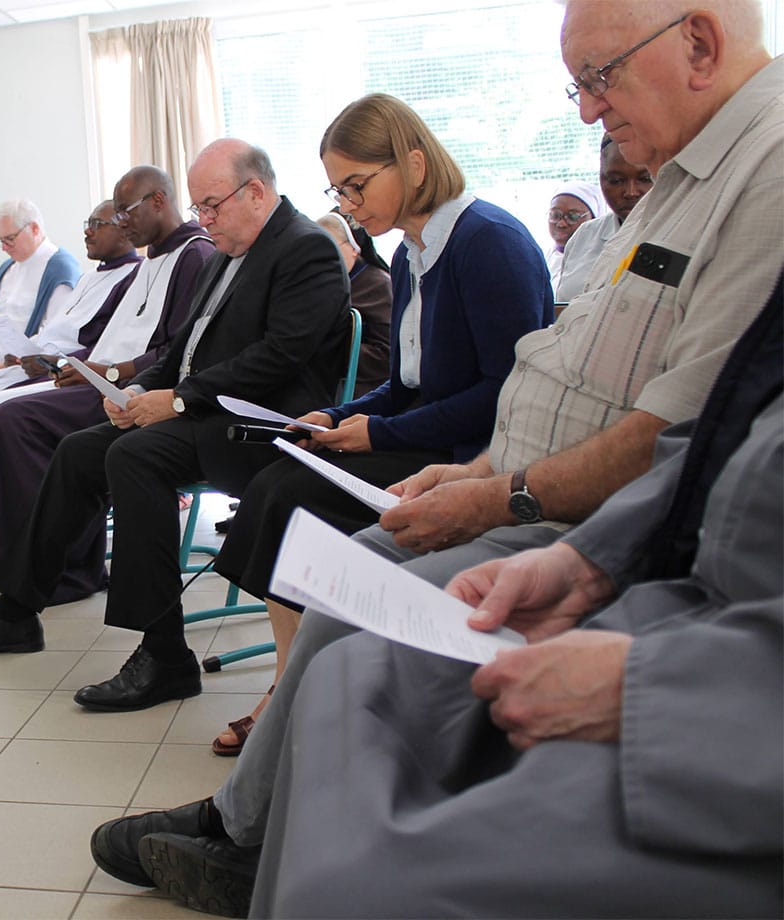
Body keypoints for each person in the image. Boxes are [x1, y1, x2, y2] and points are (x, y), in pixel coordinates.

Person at [87, 0, 783, 906]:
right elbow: (561, 380)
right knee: (328, 561)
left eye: (598, 79)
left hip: (556, 503)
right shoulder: (679, 181)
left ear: (697, 41)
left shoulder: (748, 179)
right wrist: (436, 453)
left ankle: (250, 826)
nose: (585, 112)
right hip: (509, 477)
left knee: (318, 556)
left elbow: (673, 432)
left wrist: (494, 489)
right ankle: (246, 820)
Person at [0, 139, 352, 715]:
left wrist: (176, 400)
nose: (202, 220)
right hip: (211, 413)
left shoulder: (307, 250)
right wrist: (133, 389)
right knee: (80, 451)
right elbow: (182, 347)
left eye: (212, 205)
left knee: (135, 456)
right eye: (199, 207)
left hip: (264, 428)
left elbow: (280, 358)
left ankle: (165, 656)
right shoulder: (230, 249)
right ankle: (16, 613)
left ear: (255, 192)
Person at [209, 95, 553, 756]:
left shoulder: (489, 244)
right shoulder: (411, 257)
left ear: (414, 164)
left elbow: (505, 395)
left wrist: (378, 435)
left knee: (288, 496)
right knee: (282, 482)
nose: (349, 205)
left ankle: (293, 690)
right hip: (424, 436)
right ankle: (293, 683)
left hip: (472, 455)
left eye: (357, 185)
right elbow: (405, 386)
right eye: (339, 190)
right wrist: (335, 417)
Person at [0, 166, 215, 598]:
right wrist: (86, 366)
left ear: (158, 202)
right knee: (3, 411)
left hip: (139, 393)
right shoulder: (155, 256)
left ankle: (65, 573)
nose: (121, 223)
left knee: (18, 419)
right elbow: (109, 337)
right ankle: (21, 568)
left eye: (124, 212)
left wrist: (107, 374)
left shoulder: (195, 256)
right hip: (108, 379)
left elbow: (177, 352)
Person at [0, 200, 142, 537]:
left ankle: (1, 528)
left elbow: (99, 341)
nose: (87, 231)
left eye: (98, 224)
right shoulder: (86, 276)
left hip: (62, 367)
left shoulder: (78, 269)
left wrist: (33, 361)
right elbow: (0, 321)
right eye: (87, 222)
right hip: (32, 360)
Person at [0, 199, 80, 386]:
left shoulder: (60, 268)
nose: (4, 248)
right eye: (0, 241)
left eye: (10, 239)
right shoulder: (7, 269)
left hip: (26, 371)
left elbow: (54, 335)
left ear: (35, 229)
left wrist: (3, 366)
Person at [555, 133, 654, 302]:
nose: (630, 192)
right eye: (616, 181)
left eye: (644, 179)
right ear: (601, 178)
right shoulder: (585, 235)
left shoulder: (683, 231)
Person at [315, 211, 392, 397]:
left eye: (329, 247)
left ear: (354, 249)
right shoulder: (320, 284)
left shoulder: (378, 284)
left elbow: (387, 355)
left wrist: (326, 348)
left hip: (364, 393)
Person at [544, 179, 605, 292]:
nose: (561, 223)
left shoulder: (602, 261)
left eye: (573, 216)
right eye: (555, 215)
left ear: (594, 219)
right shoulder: (542, 258)